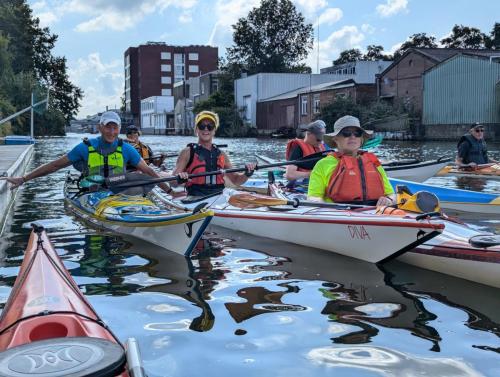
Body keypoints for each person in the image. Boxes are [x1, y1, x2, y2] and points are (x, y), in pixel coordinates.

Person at [2, 111, 175, 196]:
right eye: (108, 127)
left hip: (117, 189)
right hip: (93, 191)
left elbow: (150, 172)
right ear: (100, 127)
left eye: (115, 128)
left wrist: (169, 192)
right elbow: (55, 165)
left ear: (119, 129)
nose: (111, 132)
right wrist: (23, 178)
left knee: (145, 179)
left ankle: (135, 207)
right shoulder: (84, 147)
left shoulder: (126, 148)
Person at [307, 115, 395, 206]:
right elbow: (313, 197)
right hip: (338, 214)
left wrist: (389, 200)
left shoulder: (373, 162)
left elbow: (391, 194)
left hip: (374, 213)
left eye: (357, 133)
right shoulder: (323, 164)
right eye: (346, 133)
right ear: (335, 138)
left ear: (361, 138)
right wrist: (322, 206)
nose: (352, 137)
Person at [173, 110, 256, 197]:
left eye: (210, 126)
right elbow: (172, 182)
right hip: (195, 197)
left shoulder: (221, 154)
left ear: (214, 131)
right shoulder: (187, 152)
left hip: (219, 197)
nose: (206, 129)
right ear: (196, 129)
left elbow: (236, 180)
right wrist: (179, 178)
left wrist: (247, 174)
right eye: (202, 126)